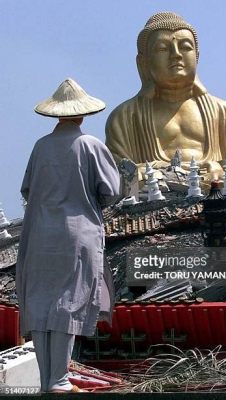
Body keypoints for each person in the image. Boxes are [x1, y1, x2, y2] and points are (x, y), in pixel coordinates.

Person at [16, 78, 120, 393]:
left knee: (41, 302)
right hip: (76, 233)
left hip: (38, 234)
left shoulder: (40, 146)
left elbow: (26, 189)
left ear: (56, 114)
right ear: (82, 114)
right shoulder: (90, 145)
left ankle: (48, 379)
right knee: (68, 302)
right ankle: (60, 379)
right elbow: (111, 191)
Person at [105, 12, 226, 182]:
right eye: (163, 49)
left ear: (197, 56)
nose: (176, 55)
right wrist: (166, 172)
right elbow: (117, 174)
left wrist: (220, 170)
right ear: (143, 62)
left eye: (185, 47)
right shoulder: (125, 117)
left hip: (217, 184)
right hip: (159, 188)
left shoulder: (224, 112)